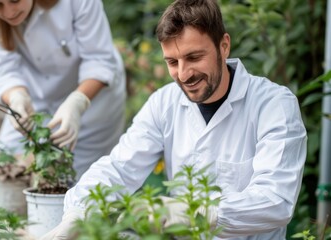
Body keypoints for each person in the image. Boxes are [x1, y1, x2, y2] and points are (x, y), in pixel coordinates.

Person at [42, 0, 307, 239]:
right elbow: (119, 167)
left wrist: (198, 212)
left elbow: (276, 200)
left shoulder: (273, 105)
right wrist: (78, 212)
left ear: (223, 46)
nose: (183, 74)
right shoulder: (164, 103)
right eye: (172, 61)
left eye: (194, 57)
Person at [0, 0, 126, 178]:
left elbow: (99, 61)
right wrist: (16, 97)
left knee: (80, 184)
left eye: (15, 0)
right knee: (2, 170)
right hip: (34, 98)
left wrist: (77, 103)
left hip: (93, 101)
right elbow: (4, 69)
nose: (9, 12)